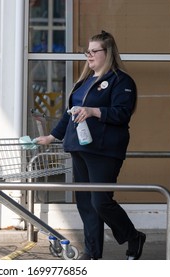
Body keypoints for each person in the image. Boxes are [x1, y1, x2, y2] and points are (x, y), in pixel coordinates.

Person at [35, 30, 145, 260]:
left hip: (104, 150)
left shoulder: (121, 81)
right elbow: (69, 114)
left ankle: (133, 236)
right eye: (88, 51)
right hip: (80, 148)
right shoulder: (84, 82)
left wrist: (94, 111)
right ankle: (92, 254)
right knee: (86, 204)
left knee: (100, 202)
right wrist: (52, 137)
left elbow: (122, 113)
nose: (89, 55)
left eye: (95, 51)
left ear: (109, 53)